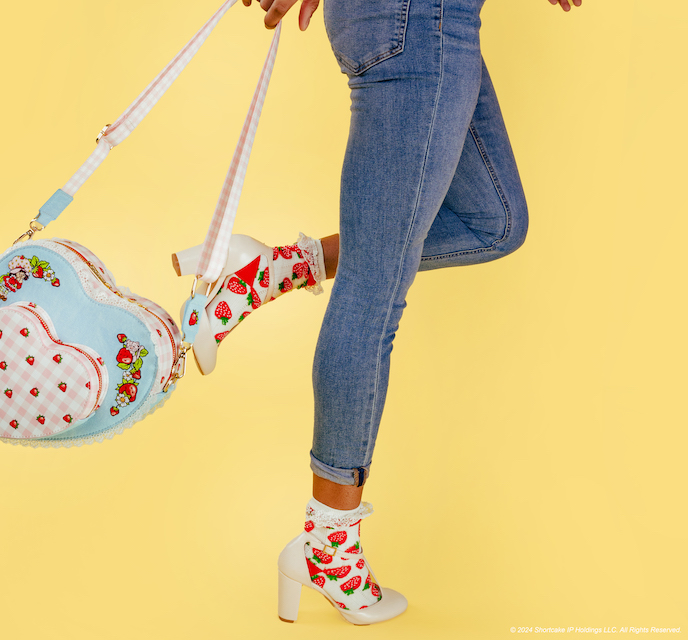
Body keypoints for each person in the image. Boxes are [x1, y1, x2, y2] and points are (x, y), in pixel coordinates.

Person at [174, 0, 583, 624]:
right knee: (372, 290)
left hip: (422, 22)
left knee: (495, 221)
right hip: (419, 21)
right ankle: (329, 545)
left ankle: (273, 270)